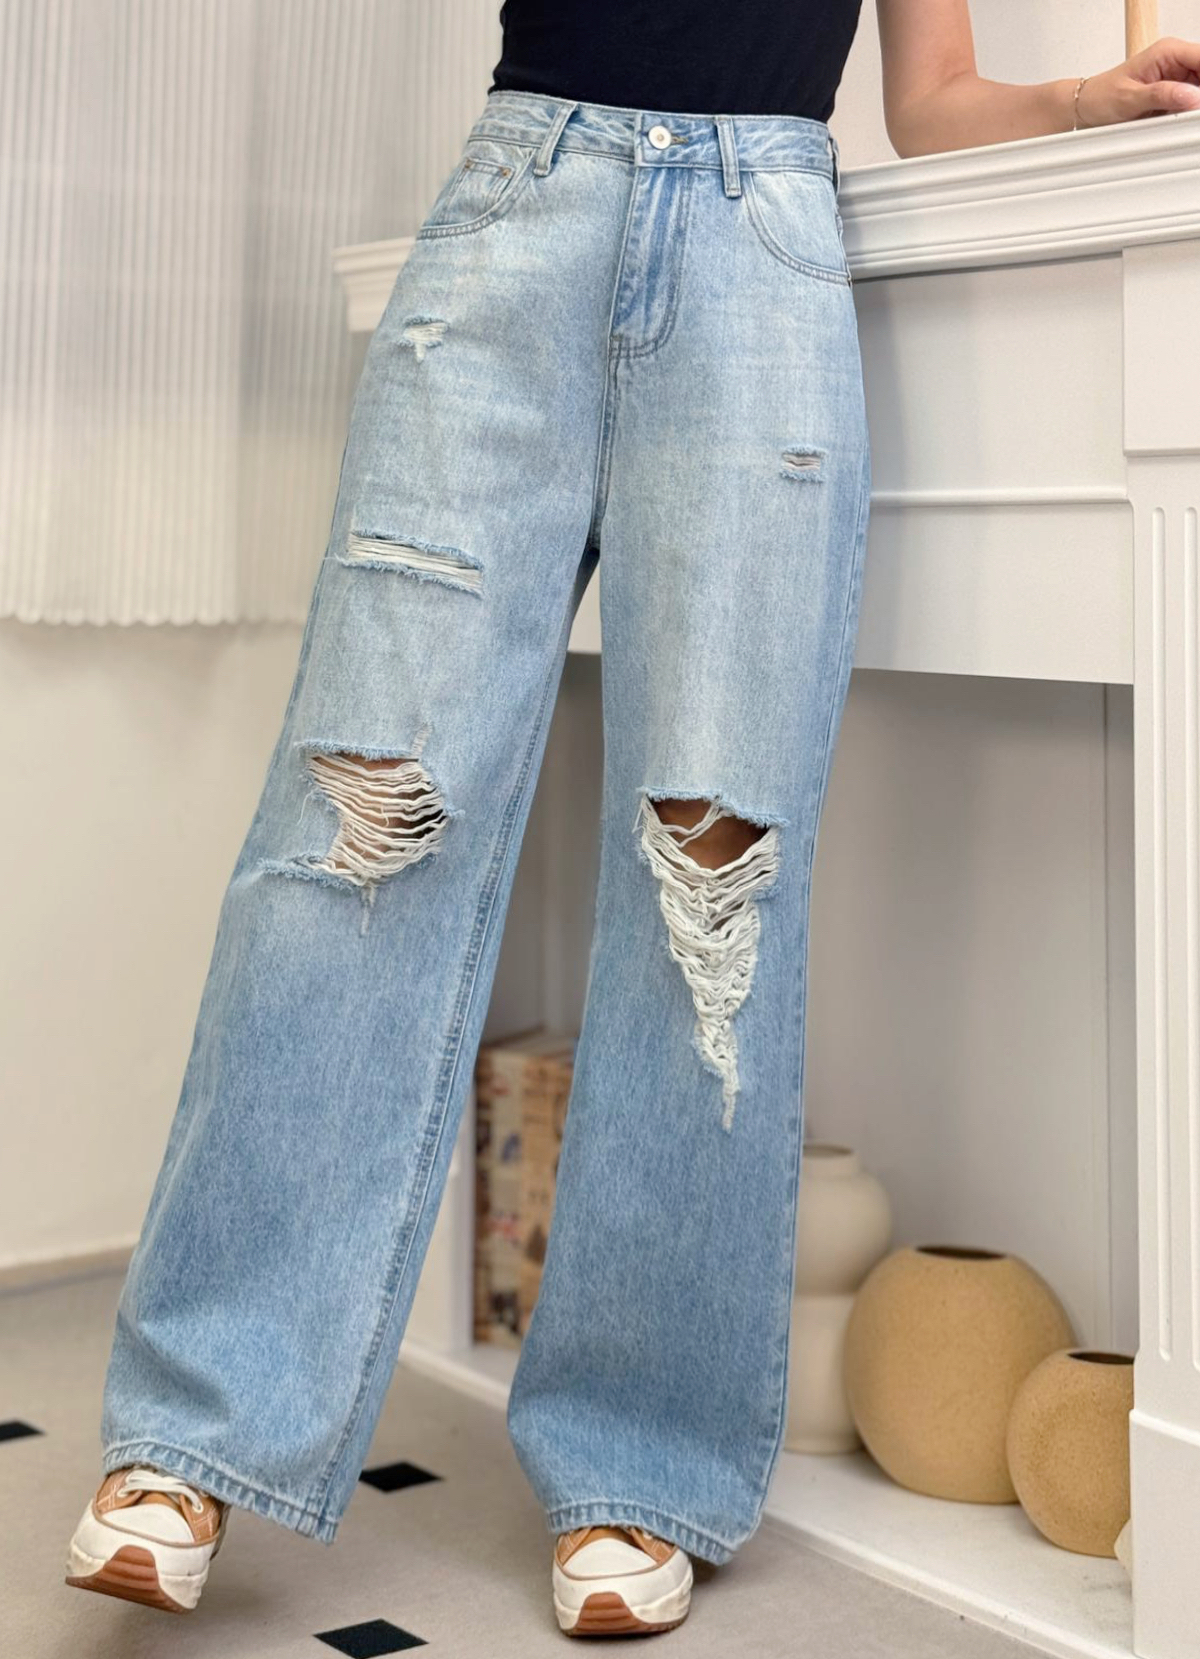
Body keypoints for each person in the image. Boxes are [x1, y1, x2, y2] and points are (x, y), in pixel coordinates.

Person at [64, 0, 1200, 1638]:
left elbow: (932, 98)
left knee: (710, 873)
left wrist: (1086, 98)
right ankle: (191, 1436)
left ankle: (638, 1459)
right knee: (353, 832)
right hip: (519, 215)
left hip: (762, 256)